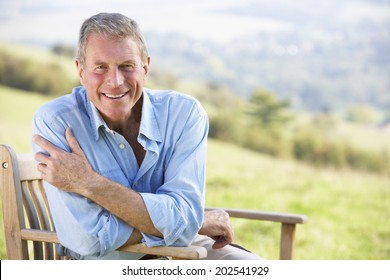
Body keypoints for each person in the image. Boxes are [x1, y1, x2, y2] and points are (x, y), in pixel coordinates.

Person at [32, 12, 261, 260]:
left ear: (145, 67)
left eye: (127, 66)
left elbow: (185, 215)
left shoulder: (183, 114)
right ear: (81, 71)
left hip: (183, 250)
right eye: (100, 67)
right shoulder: (56, 122)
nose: (115, 81)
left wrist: (89, 183)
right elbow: (91, 238)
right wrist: (195, 222)